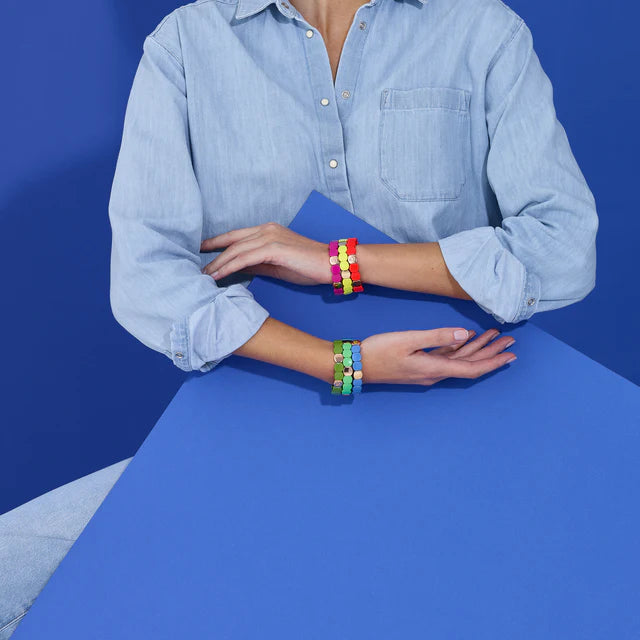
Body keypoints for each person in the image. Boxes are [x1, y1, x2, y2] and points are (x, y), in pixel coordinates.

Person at [0, 0, 598, 634]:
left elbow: (562, 249)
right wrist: (344, 363)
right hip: (263, 420)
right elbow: (146, 278)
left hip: (462, 415)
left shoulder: (480, 28)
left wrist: (337, 260)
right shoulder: (186, 44)